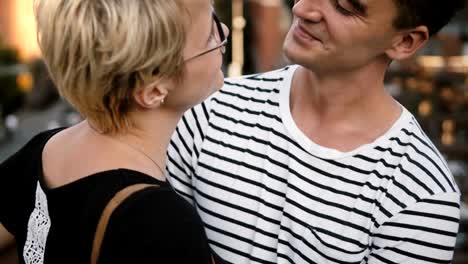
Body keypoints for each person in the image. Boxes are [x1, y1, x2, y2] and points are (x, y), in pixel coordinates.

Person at [167, 0, 465, 263]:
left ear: (405, 41)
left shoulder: (421, 195)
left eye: (345, 7)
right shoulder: (204, 109)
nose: (303, 9)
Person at [0, 0, 229, 263]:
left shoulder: (43, 150)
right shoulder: (161, 224)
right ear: (153, 89)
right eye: (211, 34)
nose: (225, 30)